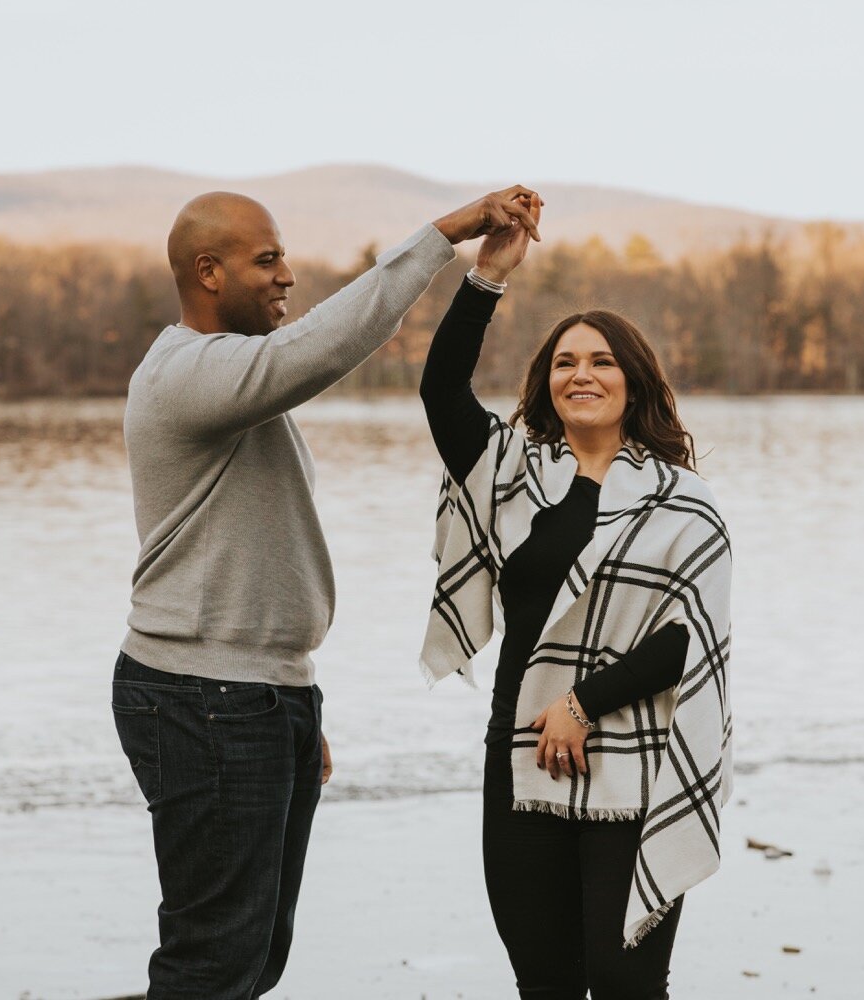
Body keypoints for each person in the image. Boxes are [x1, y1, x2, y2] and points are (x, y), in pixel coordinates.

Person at [112, 186, 541, 999]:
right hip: (205, 697)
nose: (287, 276)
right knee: (213, 962)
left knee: (256, 955)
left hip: (255, 694)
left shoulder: (234, 380)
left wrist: (294, 700)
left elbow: (256, 554)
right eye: (266, 259)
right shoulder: (187, 374)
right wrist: (445, 234)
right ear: (208, 272)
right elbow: (321, 347)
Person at [418, 196, 733, 1000]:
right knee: (546, 981)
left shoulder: (683, 504)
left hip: (630, 751)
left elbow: (688, 642)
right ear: (545, 381)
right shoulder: (513, 473)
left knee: (624, 983)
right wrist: (488, 273)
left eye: (599, 361)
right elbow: (440, 386)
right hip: (517, 748)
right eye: (564, 362)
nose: (581, 374)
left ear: (632, 380)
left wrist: (584, 703)